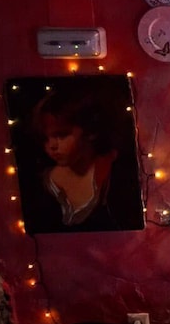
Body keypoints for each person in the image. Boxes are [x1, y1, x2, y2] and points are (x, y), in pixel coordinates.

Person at [32, 89, 119, 228]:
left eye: (61, 135)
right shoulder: (45, 183)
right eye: (45, 139)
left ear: (89, 131)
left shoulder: (113, 173)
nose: (51, 145)